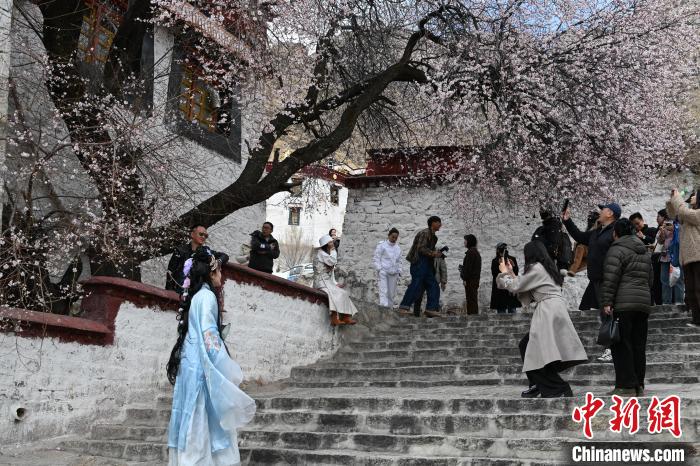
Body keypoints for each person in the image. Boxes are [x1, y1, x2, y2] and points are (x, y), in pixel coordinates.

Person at [166, 248, 256, 465]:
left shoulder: (197, 297)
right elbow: (209, 336)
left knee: (193, 418)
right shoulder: (207, 297)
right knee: (202, 419)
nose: (221, 276)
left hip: (190, 363)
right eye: (219, 271)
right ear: (211, 272)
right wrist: (228, 368)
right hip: (200, 367)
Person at [497, 241, 587, 398]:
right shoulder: (546, 267)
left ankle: (558, 387)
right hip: (553, 309)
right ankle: (537, 384)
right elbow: (524, 285)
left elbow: (516, 286)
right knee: (529, 346)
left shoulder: (536, 268)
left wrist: (504, 273)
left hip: (548, 310)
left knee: (531, 348)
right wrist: (511, 273)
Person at [600, 218, 652, 397]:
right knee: (638, 345)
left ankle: (626, 385)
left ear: (616, 233)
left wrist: (607, 302)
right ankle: (639, 384)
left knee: (622, 344)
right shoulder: (643, 250)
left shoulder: (616, 249)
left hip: (623, 304)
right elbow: (650, 279)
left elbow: (611, 278)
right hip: (642, 304)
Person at [563, 202, 620, 362]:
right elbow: (580, 236)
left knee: (610, 313)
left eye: (603, 210)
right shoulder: (597, 232)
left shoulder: (615, 231)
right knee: (604, 313)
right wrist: (567, 221)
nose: (599, 212)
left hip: (609, 279)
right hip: (596, 280)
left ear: (610, 214)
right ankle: (610, 347)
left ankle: (612, 348)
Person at [398, 216, 443, 318]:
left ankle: (431, 309)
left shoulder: (434, 237)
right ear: (432, 223)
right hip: (419, 262)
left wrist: (436, 254)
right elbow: (421, 248)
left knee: (434, 285)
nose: (440, 224)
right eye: (438, 222)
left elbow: (428, 251)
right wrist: (433, 253)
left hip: (427, 264)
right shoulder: (425, 233)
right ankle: (403, 307)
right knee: (416, 284)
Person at [667, 188, 700, 327]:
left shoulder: (696, 214)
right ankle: (697, 319)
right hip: (687, 257)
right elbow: (673, 214)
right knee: (691, 290)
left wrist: (677, 199)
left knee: (698, 288)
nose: (691, 197)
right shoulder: (687, 214)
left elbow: (683, 211)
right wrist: (672, 199)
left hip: (698, 256)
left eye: (694, 195)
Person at [166, 225, 229, 294]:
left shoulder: (206, 251)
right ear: (192, 234)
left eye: (206, 236)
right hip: (180, 291)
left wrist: (218, 262)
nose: (203, 237)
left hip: (197, 291)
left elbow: (225, 256)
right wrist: (170, 293)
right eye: (201, 234)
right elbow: (170, 272)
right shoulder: (180, 251)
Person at [313, 234, 358, 326]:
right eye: (330, 243)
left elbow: (330, 272)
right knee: (333, 294)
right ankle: (334, 318)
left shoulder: (325, 254)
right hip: (321, 282)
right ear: (326, 244)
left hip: (327, 281)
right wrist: (333, 251)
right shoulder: (321, 253)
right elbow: (332, 261)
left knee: (343, 293)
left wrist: (335, 283)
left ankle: (346, 317)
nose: (332, 244)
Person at [414, 245, 448, 316]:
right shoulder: (423, 252)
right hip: (422, 279)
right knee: (418, 296)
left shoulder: (439, 255)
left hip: (434, 279)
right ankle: (416, 313)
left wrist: (443, 282)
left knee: (434, 296)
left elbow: (443, 269)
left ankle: (432, 313)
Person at [657, 217, 684, 304]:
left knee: (678, 279)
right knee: (664, 280)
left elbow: (684, 238)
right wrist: (662, 232)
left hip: (677, 255)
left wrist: (674, 229)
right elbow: (660, 242)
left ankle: (679, 302)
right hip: (665, 256)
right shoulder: (665, 223)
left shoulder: (681, 223)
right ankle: (666, 302)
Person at [373, 228, 402, 308]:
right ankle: (383, 308)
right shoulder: (382, 245)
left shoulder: (398, 248)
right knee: (383, 290)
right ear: (389, 236)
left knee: (391, 293)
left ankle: (390, 308)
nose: (394, 239)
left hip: (394, 273)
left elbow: (399, 260)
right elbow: (376, 258)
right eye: (393, 237)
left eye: (396, 238)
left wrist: (399, 271)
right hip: (384, 272)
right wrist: (380, 269)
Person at [490, 243, 521, 314]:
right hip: (504, 289)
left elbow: (515, 272)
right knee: (506, 310)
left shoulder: (510, 259)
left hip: (506, 288)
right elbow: (495, 274)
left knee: (508, 310)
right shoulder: (496, 261)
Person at [651, 209, 669, 305]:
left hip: (661, 255)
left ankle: (662, 301)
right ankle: (658, 301)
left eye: (658, 216)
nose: (656, 218)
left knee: (660, 280)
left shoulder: (667, 228)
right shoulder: (659, 228)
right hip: (656, 254)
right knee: (657, 280)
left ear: (664, 217)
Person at [461, 234, 481, 315]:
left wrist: (464, 278)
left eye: (465, 240)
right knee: (472, 299)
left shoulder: (471, 252)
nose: (464, 242)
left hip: (470, 280)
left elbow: (468, 268)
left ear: (469, 241)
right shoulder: (475, 252)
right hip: (474, 280)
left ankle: (473, 318)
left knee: (471, 299)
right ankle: (473, 316)